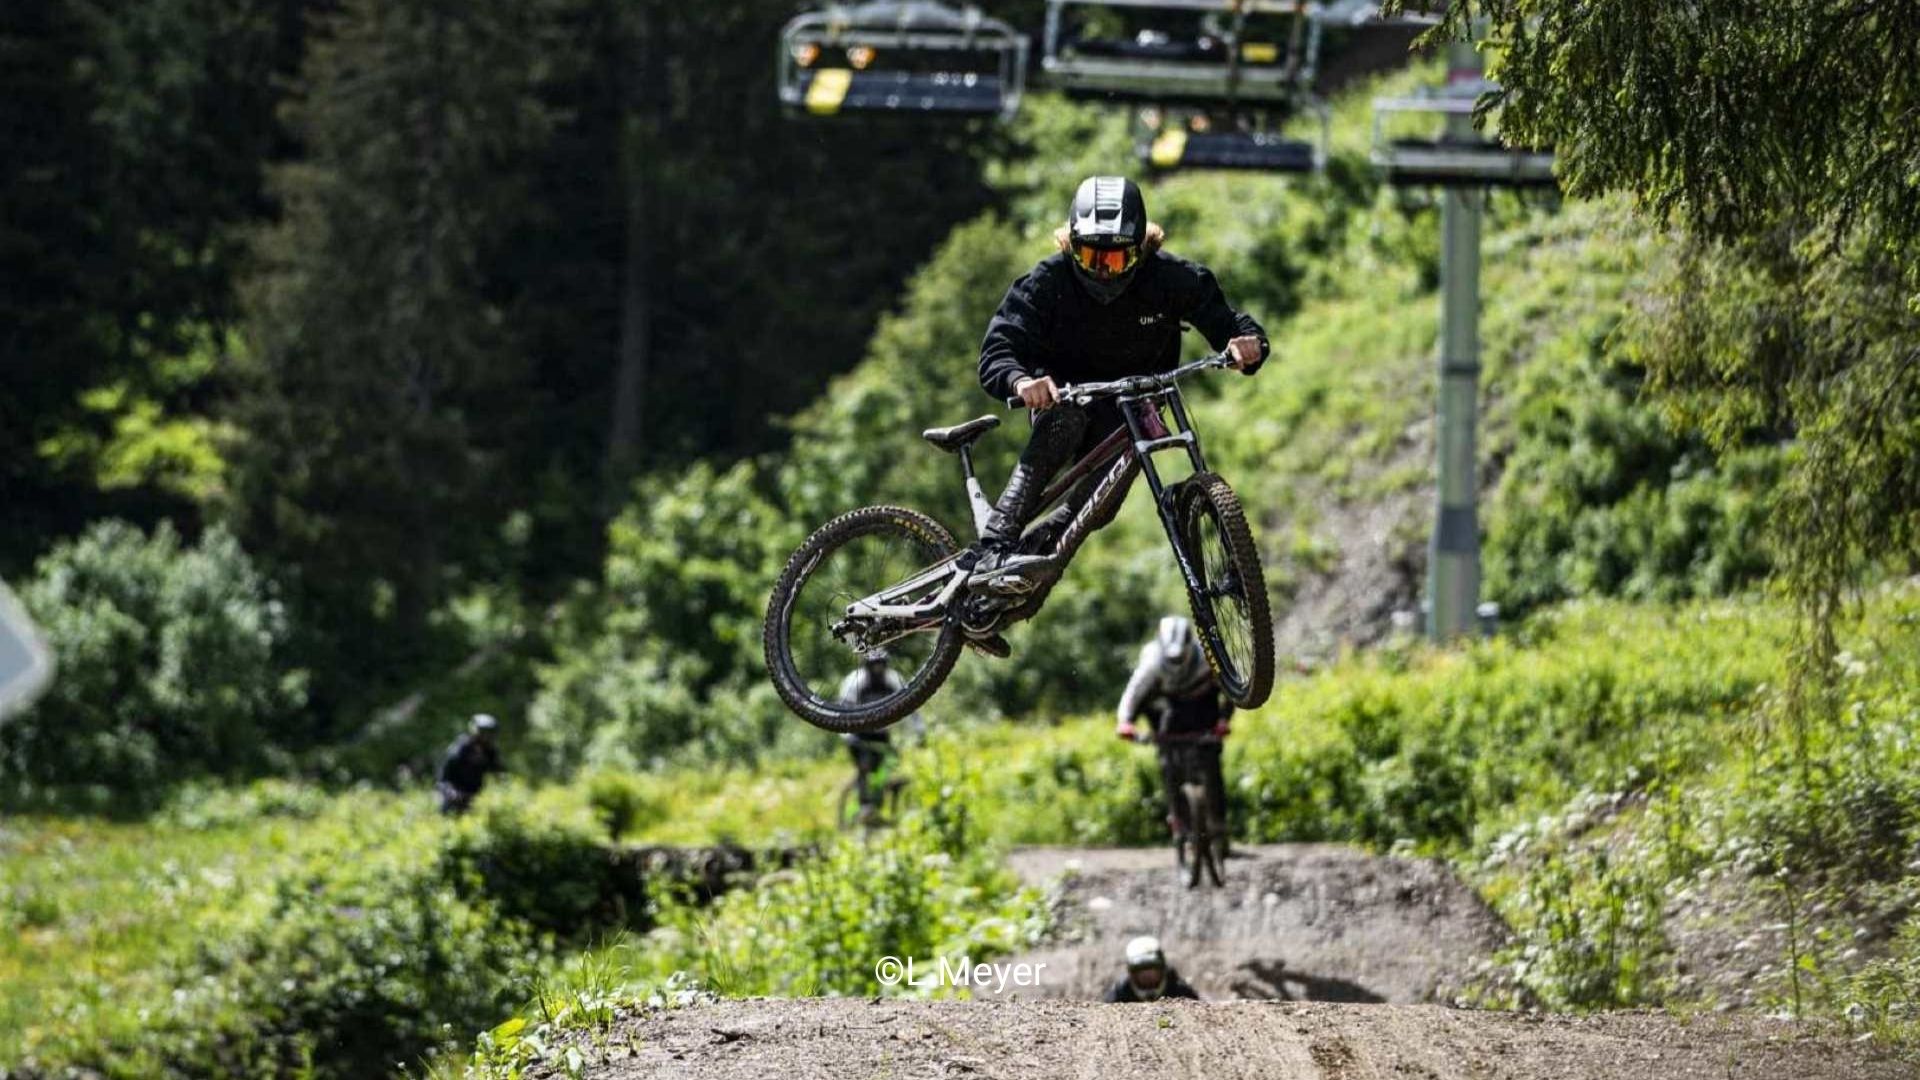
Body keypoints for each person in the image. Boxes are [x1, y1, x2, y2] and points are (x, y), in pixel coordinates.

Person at [969, 176, 1269, 621]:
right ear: (1071, 246)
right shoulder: (1046, 281)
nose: (1104, 270)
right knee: (1064, 421)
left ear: (1140, 250)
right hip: (1066, 400)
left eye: (1116, 257)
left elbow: (1228, 323)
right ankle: (993, 546)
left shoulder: (1172, 279)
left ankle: (1005, 600)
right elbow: (999, 349)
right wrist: (1020, 382)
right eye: (1091, 256)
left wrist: (1248, 343)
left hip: (1133, 408)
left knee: (1093, 512)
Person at [1117, 616, 1232, 851]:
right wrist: (1125, 723)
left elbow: (1231, 689)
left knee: (1211, 761)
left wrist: (1223, 721)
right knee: (1169, 763)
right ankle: (1179, 823)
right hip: (1170, 708)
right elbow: (1133, 694)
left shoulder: (1208, 656)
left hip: (1204, 704)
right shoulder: (1151, 662)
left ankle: (1219, 826)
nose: (1177, 661)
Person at [835, 651, 921, 823]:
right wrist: (846, 735)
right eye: (874, 666)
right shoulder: (855, 682)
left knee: (887, 767)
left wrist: (919, 731)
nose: (878, 669)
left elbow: (910, 706)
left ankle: (878, 805)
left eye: (881, 666)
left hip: (882, 735)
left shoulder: (893, 680)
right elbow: (842, 710)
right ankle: (864, 805)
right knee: (865, 766)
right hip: (858, 735)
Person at [436, 713, 504, 816]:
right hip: (455, 793)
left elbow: (499, 773)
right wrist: (451, 791)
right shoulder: (461, 748)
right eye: (484, 733)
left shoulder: (490, 752)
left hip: (476, 795)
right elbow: (444, 776)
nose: (487, 737)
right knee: (449, 812)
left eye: (490, 733)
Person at [1103, 935, 1201, 1003]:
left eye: (1152, 970)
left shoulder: (1179, 989)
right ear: (1132, 974)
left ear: (1162, 969)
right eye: (1142, 971)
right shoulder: (1120, 992)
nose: (1148, 976)